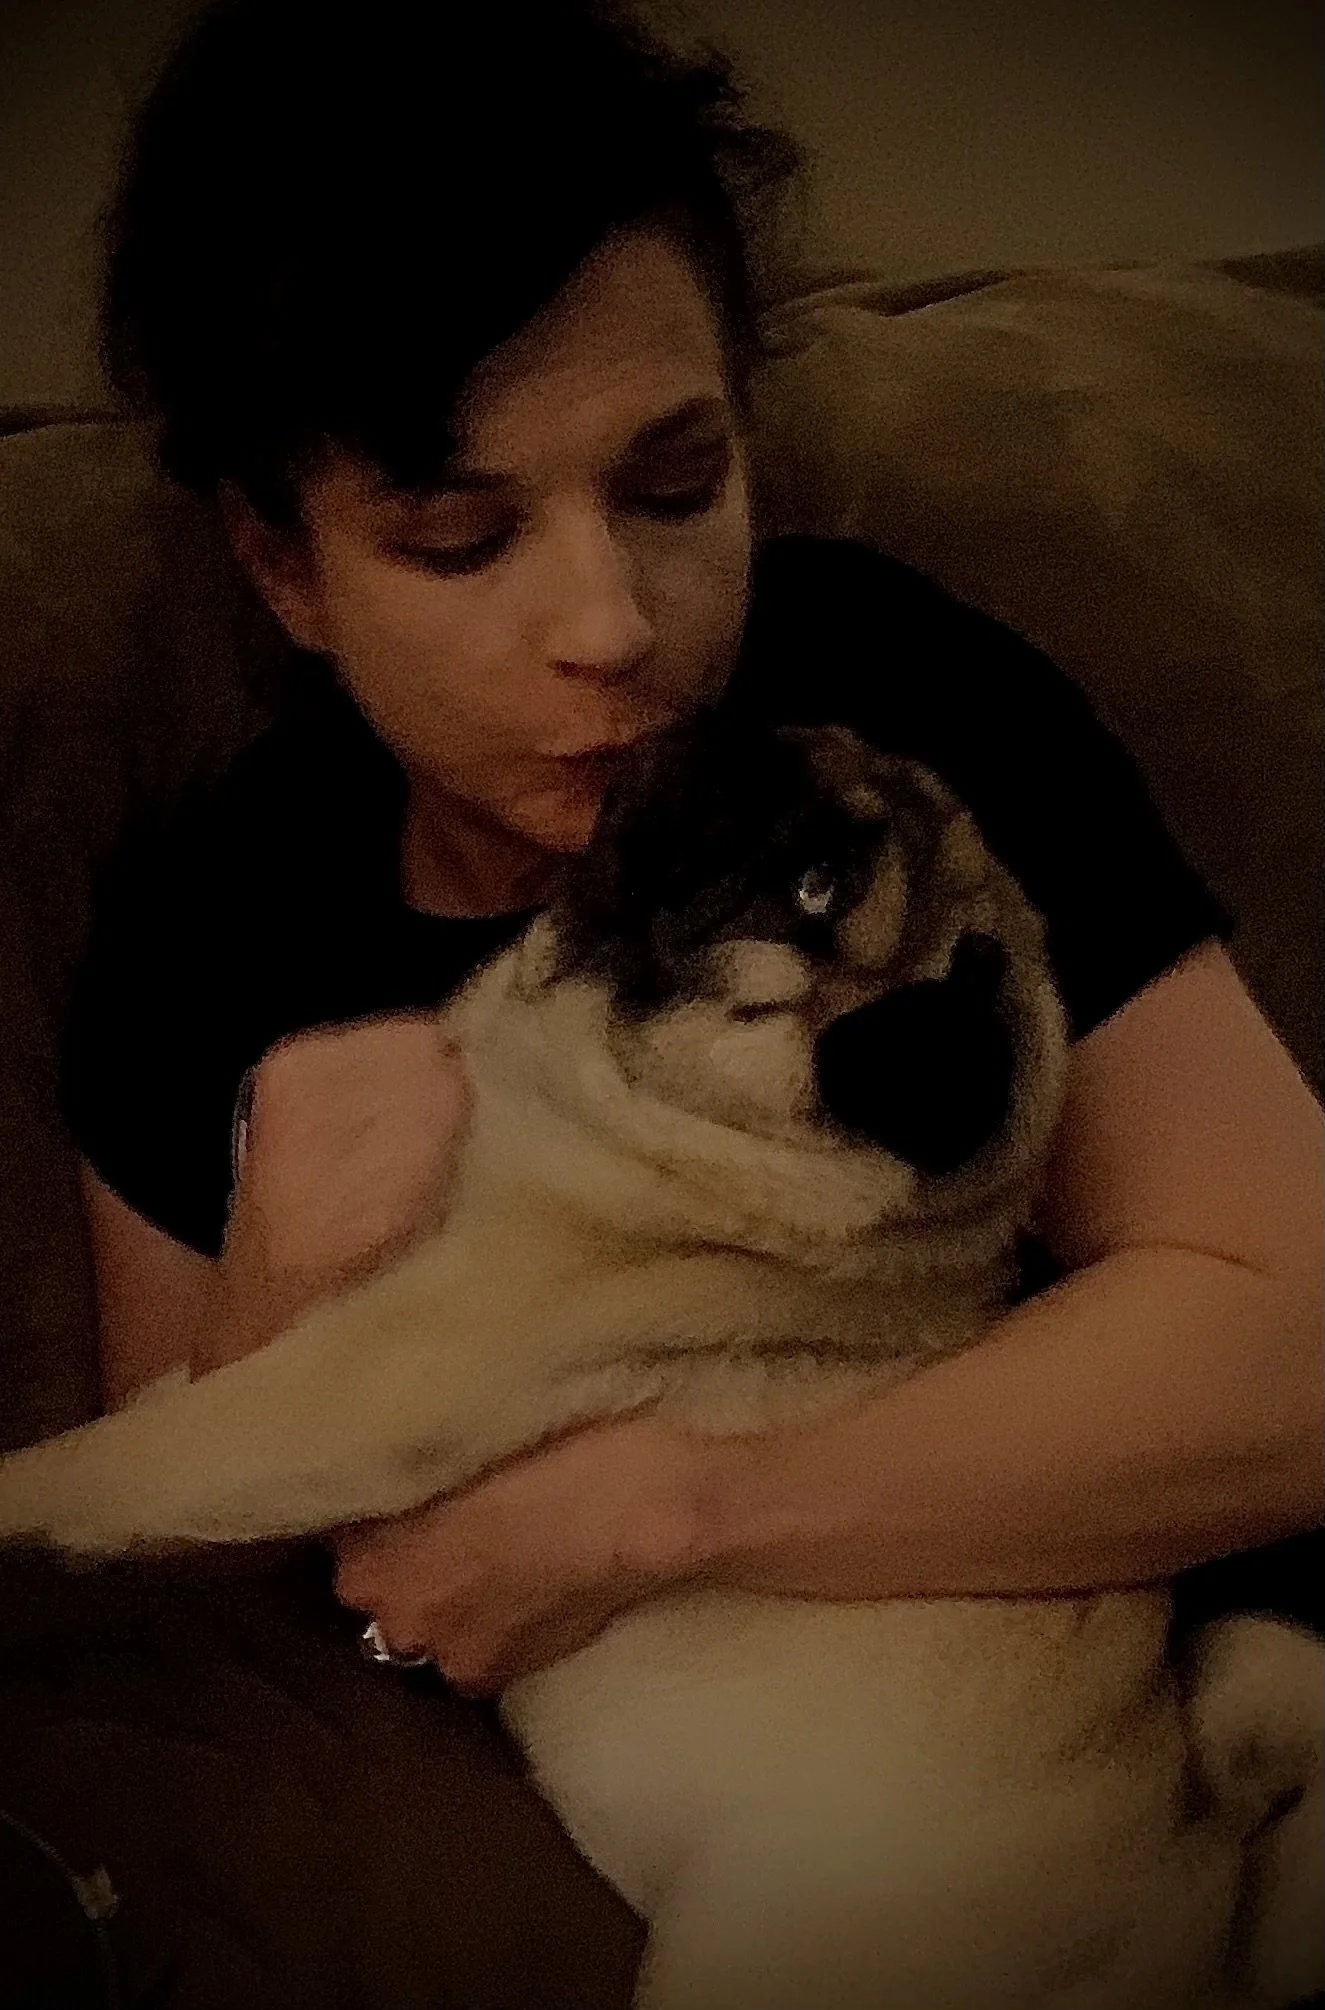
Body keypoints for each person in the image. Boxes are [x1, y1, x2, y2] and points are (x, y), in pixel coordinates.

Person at [1, 0, 1320, 2003]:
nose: (613, 631)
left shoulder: (882, 724)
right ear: (283, 567)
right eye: (461, 537)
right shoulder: (216, 932)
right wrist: (282, 1294)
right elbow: (195, 1574)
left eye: (674, 485)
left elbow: (1293, 1338)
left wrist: (670, 1509)